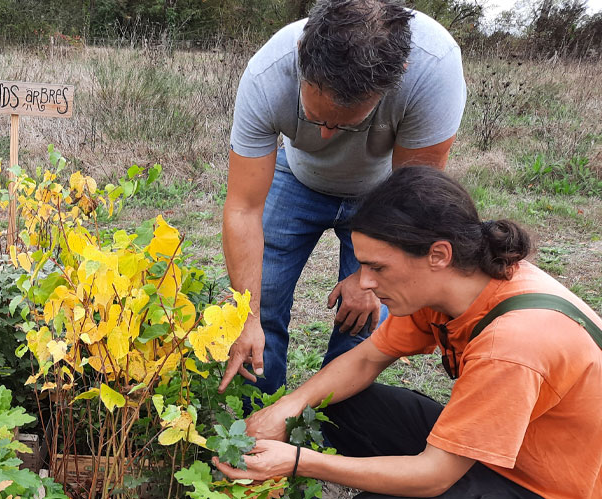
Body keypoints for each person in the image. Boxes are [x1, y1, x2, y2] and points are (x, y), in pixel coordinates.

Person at [213, 166, 602, 498]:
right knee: (334, 403)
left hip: (543, 485)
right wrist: (287, 409)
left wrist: (301, 462)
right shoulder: (460, 281)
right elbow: (367, 358)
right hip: (502, 449)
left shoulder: (511, 345)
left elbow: (435, 474)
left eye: (377, 268)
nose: (363, 283)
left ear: (438, 254)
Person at [219, 0, 467, 395]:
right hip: (295, 177)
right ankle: (262, 424)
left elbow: (414, 197)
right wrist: (245, 318)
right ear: (303, 57)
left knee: (364, 319)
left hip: (386, 193)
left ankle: (329, 430)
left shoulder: (432, 68)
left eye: (344, 122)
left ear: (395, 78)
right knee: (261, 306)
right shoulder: (268, 74)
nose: (326, 137)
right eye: (317, 118)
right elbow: (243, 208)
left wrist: (368, 281)